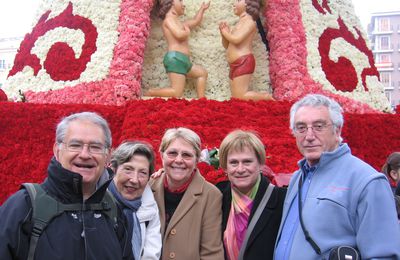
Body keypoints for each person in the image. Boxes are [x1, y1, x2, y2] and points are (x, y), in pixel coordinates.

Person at [274, 94, 400, 259]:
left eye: (319, 126)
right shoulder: (298, 177)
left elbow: (384, 255)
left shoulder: (367, 182)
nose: (309, 136)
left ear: (337, 129)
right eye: (301, 127)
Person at [0, 112, 133, 260]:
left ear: (108, 155)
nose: (84, 154)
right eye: (75, 145)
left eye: (95, 147)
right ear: (57, 150)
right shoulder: (24, 206)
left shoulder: (113, 210)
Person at [150, 127, 224, 259]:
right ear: (161, 155)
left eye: (187, 155)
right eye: (172, 153)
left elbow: (211, 254)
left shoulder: (211, 196)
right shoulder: (148, 187)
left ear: (196, 160)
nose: (178, 160)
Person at [216, 130, 286, 260]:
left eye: (247, 162)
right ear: (225, 167)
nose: (241, 169)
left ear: (260, 164)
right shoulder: (217, 196)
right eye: (233, 162)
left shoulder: (282, 200)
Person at [144, 0, 210, 98]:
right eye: (180, 1)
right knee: (176, 92)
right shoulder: (169, 20)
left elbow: (195, 21)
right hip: (175, 59)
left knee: (202, 73)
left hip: (184, 60)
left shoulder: (180, 23)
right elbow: (179, 35)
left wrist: (202, 9)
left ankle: (202, 100)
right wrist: (187, 32)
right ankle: (151, 92)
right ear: (172, 3)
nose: (183, 5)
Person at [109, 141, 162, 260]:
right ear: (113, 169)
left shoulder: (150, 207)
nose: (134, 179)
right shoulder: (95, 203)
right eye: (128, 169)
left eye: (143, 173)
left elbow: (151, 253)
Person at [219, 0, 273, 101]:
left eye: (238, 0)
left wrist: (226, 33)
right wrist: (224, 35)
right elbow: (227, 45)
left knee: (241, 95)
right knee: (236, 97)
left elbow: (236, 39)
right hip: (234, 64)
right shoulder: (239, 23)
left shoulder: (250, 22)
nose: (234, 4)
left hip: (243, 61)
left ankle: (265, 97)